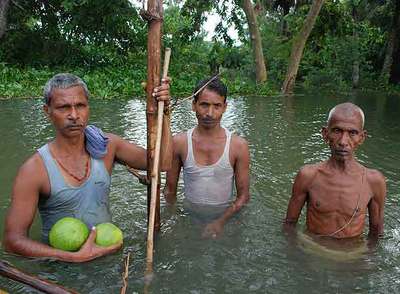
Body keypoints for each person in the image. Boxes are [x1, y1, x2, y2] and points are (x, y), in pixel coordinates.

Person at [3, 73, 172, 262]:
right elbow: (12, 241)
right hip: (61, 267)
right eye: (63, 107)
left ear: (88, 108)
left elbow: (163, 163)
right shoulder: (34, 169)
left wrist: (163, 112)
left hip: (108, 253)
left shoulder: (107, 146)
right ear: (47, 111)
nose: (74, 115)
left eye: (80, 106)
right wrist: (71, 256)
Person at [284, 102, 386, 244]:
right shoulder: (308, 175)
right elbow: (289, 224)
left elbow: (376, 232)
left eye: (352, 133)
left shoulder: (374, 181)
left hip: (352, 255)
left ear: (361, 138)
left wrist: (365, 263)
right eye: (337, 131)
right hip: (313, 250)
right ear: (326, 134)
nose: (343, 141)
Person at [163, 77, 250, 239]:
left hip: (226, 217)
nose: (210, 113)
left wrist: (221, 222)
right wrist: (174, 219)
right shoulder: (180, 142)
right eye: (204, 105)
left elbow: (243, 197)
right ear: (193, 105)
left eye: (217, 106)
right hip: (189, 216)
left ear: (225, 107)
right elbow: (169, 191)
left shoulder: (238, 146)